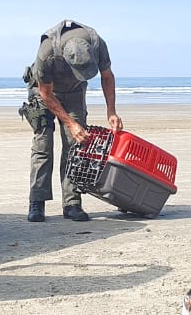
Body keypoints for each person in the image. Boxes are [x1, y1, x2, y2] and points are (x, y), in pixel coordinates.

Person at [26, 20, 122, 223]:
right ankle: (37, 201)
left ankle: (72, 203)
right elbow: (46, 94)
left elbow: (107, 76)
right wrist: (70, 123)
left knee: (76, 145)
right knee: (43, 145)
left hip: (75, 92)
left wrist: (111, 111)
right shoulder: (48, 51)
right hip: (43, 92)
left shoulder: (97, 45)